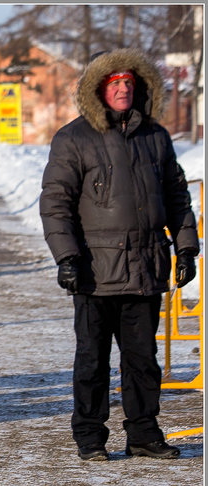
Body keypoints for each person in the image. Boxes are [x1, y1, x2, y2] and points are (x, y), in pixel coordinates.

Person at [40, 48, 199, 461]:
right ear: (98, 89)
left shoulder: (156, 137)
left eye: (130, 82)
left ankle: (144, 434)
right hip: (95, 271)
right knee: (92, 361)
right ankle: (91, 438)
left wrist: (185, 247)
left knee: (142, 360)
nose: (124, 88)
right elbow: (56, 202)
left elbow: (176, 196)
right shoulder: (73, 138)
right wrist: (67, 257)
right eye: (115, 83)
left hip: (146, 268)